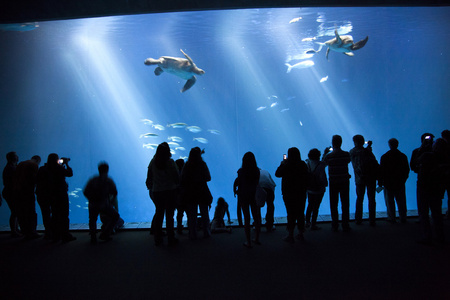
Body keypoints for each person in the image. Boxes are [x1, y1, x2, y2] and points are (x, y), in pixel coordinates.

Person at [410, 133, 444, 245]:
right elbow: (414, 166)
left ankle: (427, 236)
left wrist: (422, 149)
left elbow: (414, 164)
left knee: (424, 212)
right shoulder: (440, 155)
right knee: (436, 213)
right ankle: (440, 237)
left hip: (424, 186)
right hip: (435, 187)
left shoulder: (423, 154)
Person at [146, 142, 180, 246]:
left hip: (157, 192)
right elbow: (177, 177)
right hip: (170, 191)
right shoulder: (170, 162)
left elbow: (149, 178)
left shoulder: (153, 162)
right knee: (169, 216)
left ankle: (158, 238)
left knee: (159, 214)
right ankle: (171, 237)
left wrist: (151, 186)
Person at [275, 147, 308, 243]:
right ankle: (301, 234)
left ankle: (290, 235)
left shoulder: (287, 165)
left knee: (291, 213)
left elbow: (277, 174)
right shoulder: (302, 164)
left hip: (288, 193)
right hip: (301, 192)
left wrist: (282, 164)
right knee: (300, 213)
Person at [83, 162, 120, 244]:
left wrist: (91, 199)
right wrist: (109, 200)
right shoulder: (108, 180)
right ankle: (105, 234)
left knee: (92, 220)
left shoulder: (93, 180)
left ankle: (93, 238)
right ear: (107, 170)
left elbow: (85, 191)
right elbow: (115, 192)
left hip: (93, 204)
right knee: (115, 216)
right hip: (104, 204)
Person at [181, 147, 212, 240]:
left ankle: (192, 234)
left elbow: (182, 178)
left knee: (192, 215)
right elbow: (208, 177)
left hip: (190, 192)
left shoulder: (187, 165)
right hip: (202, 191)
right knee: (205, 213)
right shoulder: (202, 164)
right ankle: (206, 232)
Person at [323, 135, 352, 232]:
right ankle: (345, 224)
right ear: (341, 142)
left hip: (334, 181)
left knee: (333, 203)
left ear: (332, 143)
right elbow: (348, 161)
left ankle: (335, 224)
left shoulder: (329, 156)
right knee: (345, 203)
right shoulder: (346, 154)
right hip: (344, 181)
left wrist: (325, 153)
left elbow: (323, 164)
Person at [349, 135, 379, 226]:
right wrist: (368, 147)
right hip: (371, 178)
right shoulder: (367, 151)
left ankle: (358, 219)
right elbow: (373, 161)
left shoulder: (352, 152)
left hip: (359, 179)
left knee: (359, 199)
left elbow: (358, 154)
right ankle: (372, 220)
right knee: (371, 199)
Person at [46, 154, 76, 243]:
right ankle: (65, 235)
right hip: (61, 194)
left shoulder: (47, 168)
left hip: (52, 194)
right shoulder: (58, 168)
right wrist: (66, 164)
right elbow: (70, 173)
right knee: (64, 214)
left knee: (55, 215)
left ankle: (56, 235)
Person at [378, 138, 410, 223]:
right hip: (400, 182)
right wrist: (403, 180)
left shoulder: (385, 157)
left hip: (388, 183)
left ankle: (392, 217)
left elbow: (381, 171)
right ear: (397, 144)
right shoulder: (403, 156)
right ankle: (403, 217)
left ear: (389, 145)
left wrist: (380, 183)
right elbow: (406, 170)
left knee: (389, 202)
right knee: (401, 201)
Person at [233, 152, 261, 248]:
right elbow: (257, 182)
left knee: (247, 218)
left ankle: (248, 241)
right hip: (253, 195)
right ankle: (257, 238)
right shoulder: (257, 170)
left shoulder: (241, 171)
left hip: (244, 196)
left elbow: (238, 182)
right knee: (256, 217)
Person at [14, 155, 41, 239]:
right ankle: (32, 232)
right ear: (38, 161)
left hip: (18, 191)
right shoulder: (34, 165)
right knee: (31, 211)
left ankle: (25, 231)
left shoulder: (20, 164)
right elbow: (35, 179)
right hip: (28, 191)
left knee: (22, 212)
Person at [305, 148, 328, 230]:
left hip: (310, 189)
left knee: (310, 205)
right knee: (316, 207)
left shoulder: (307, 163)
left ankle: (307, 222)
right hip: (319, 190)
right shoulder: (321, 165)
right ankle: (313, 224)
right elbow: (323, 177)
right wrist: (325, 184)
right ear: (318, 156)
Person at [2, 152, 21, 237]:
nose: (17, 157)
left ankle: (15, 229)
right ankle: (14, 230)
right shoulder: (11, 168)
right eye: (15, 156)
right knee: (14, 211)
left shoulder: (10, 167)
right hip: (11, 192)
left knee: (15, 211)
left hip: (10, 192)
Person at [175, 158, 186, 234]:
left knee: (179, 212)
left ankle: (178, 227)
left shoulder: (174, 173)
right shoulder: (184, 173)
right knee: (188, 212)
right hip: (184, 195)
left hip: (176, 195)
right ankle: (192, 229)